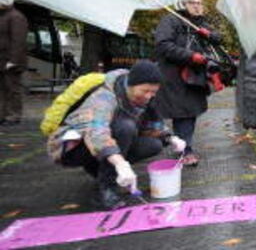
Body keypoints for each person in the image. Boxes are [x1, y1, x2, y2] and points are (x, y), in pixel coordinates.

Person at [47, 60, 186, 209]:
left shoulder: (142, 98)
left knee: (154, 145)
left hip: (105, 145)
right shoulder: (104, 97)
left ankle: (99, 169)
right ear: (131, 84)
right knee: (126, 127)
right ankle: (106, 188)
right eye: (145, 91)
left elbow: (149, 125)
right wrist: (120, 163)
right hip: (73, 148)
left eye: (153, 92)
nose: (148, 96)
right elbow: (97, 133)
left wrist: (170, 137)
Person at [154, 0, 223, 166]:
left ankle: (183, 144)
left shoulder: (199, 23)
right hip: (175, 76)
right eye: (193, 3)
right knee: (182, 113)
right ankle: (185, 150)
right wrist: (189, 56)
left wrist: (211, 35)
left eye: (200, 3)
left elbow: (218, 38)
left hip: (194, 77)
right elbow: (163, 45)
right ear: (182, 4)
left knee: (190, 112)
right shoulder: (170, 20)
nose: (198, 6)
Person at [0, 0, 28, 127]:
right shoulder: (5, 16)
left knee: (12, 89)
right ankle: (4, 114)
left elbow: (18, 41)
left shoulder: (16, 17)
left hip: (10, 61)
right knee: (4, 89)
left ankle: (13, 115)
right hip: (3, 59)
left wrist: (13, 60)